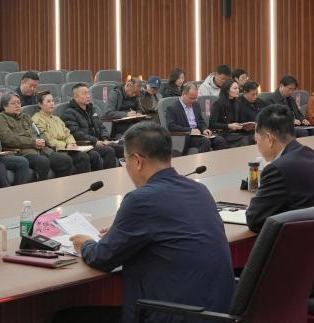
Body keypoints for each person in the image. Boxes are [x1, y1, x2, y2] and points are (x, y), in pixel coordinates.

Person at [61, 123, 234, 323]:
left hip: (175, 315)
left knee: (65, 316)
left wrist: (85, 244)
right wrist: (121, 232)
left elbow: (102, 257)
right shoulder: (199, 190)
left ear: (136, 161)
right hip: (216, 312)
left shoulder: (140, 200)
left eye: (124, 161)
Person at [245, 105, 314, 296]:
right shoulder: (313, 156)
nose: (258, 145)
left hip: (310, 273)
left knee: (240, 278)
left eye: (257, 140)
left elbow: (254, 220)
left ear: (269, 139)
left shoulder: (278, 169)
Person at [0, 92, 74, 180]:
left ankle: (59, 185)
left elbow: (39, 132)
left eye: (19, 102)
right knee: (43, 161)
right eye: (13, 103)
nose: (17, 105)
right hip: (24, 152)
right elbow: (9, 139)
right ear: (5, 106)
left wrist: (43, 140)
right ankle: (42, 186)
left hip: (43, 149)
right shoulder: (1, 118)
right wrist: (33, 142)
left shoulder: (25, 117)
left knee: (65, 160)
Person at [32, 91, 92, 175]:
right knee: (68, 159)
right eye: (48, 101)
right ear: (40, 104)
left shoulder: (56, 118)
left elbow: (67, 133)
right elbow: (47, 139)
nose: (52, 104)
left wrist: (71, 143)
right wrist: (65, 145)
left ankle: (85, 181)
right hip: (54, 149)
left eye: (52, 101)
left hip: (67, 148)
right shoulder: (37, 119)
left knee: (84, 156)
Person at [62, 83, 120, 169]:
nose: (88, 96)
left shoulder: (92, 109)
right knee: (109, 150)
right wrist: (95, 141)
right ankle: (108, 176)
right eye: (84, 93)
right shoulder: (69, 113)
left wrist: (105, 138)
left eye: (88, 93)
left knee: (122, 147)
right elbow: (77, 134)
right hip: (87, 144)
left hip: (99, 142)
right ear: (75, 97)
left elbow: (101, 126)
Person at [164, 83, 230, 153]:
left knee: (220, 140)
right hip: (186, 136)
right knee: (205, 141)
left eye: (195, 98)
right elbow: (171, 126)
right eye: (191, 98)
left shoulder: (196, 105)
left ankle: (218, 159)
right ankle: (202, 160)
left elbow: (201, 121)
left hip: (199, 134)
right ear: (183, 94)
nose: (193, 101)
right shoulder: (172, 108)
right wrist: (190, 130)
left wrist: (204, 129)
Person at [208, 79, 250, 147]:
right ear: (227, 90)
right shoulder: (218, 103)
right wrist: (228, 126)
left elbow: (241, 121)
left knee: (251, 137)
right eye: (235, 88)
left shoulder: (238, 103)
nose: (238, 90)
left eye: (238, 88)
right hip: (221, 133)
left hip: (234, 133)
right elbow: (212, 124)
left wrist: (246, 126)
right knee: (244, 139)